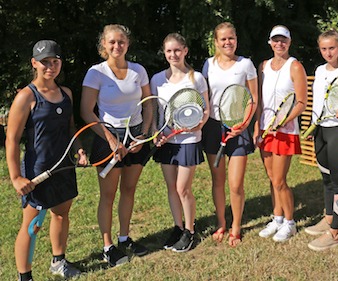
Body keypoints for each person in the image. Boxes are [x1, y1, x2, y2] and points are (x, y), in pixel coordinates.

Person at [6, 40, 82, 280]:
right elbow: (12, 140)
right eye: (45, 62)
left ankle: (58, 261)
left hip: (63, 167)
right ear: (34, 63)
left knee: (61, 214)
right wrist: (16, 177)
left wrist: (79, 151)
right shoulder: (26, 97)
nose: (50, 66)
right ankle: (24, 276)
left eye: (55, 61)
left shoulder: (67, 93)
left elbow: (72, 130)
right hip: (38, 172)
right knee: (32, 226)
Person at [80, 24, 151, 267]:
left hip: (136, 137)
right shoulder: (96, 73)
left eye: (121, 42)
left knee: (129, 190)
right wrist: (110, 139)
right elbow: (86, 111)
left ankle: (124, 238)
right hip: (107, 138)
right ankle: (108, 246)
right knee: (108, 195)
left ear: (127, 44)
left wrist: (144, 135)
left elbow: (148, 104)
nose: (117, 46)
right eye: (112, 42)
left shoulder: (138, 70)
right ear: (104, 45)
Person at [150, 33, 209, 252]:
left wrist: (198, 125)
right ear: (164, 53)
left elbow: (206, 109)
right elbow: (154, 111)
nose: (173, 55)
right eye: (169, 51)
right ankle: (177, 226)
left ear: (185, 51)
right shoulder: (157, 80)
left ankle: (190, 231)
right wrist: (156, 132)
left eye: (177, 50)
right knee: (171, 188)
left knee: (183, 188)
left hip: (189, 140)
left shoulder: (197, 78)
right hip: (167, 141)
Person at [201, 22, 258, 247]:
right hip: (213, 128)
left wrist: (243, 124)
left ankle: (236, 226)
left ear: (236, 39)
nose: (228, 42)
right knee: (218, 181)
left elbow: (252, 97)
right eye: (223, 39)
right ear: (216, 42)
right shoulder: (208, 65)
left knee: (235, 184)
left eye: (231, 38)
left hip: (238, 128)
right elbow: (205, 96)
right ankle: (221, 223)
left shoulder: (246, 64)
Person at [254, 25, 307, 242]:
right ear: (270, 42)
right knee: (271, 178)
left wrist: (283, 121)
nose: (279, 44)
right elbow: (259, 102)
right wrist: (258, 127)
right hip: (266, 131)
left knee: (279, 180)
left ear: (289, 42)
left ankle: (290, 222)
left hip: (285, 132)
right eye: (275, 40)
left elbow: (301, 103)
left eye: (283, 40)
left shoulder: (295, 66)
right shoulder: (263, 66)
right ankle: (277, 218)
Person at [304, 29, 338, 251]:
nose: (328, 52)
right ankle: (328, 218)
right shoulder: (318, 70)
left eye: (332, 48)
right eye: (324, 49)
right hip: (320, 131)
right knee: (325, 179)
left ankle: (334, 232)